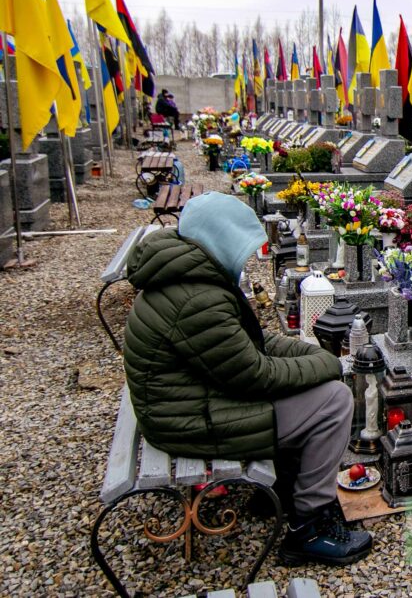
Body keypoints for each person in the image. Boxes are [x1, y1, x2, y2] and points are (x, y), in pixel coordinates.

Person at [122, 192, 372, 567]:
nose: (248, 258)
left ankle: (278, 489)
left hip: (181, 405)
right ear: (220, 240)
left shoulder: (186, 276)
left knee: (310, 387)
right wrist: (328, 367)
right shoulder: (196, 298)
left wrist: (311, 354)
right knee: (334, 401)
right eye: (242, 247)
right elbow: (254, 375)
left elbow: (251, 342)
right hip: (187, 420)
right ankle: (309, 527)